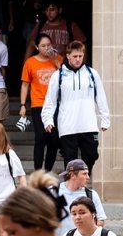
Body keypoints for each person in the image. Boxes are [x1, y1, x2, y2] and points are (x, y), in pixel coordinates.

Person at [42, 42, 111, 171]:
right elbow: (50, 100)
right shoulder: (59, 75)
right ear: (68, 56)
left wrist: (105, 119)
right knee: (70, 163)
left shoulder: (92, 74)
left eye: (80, 56)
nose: (78, 59)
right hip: (68, 126)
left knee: (92, 155)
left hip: (88, 125)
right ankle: (71, 189)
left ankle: (82, 183)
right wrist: (47, 119)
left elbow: (101, 97)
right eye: (75, 56)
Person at [19, 35, 62, 170]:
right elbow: (25, 85)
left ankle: (48, 170)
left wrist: (55, 60)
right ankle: (38, 171)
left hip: (55, 104)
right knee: (40, 138)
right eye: (43, 46)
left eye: (49, 45)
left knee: (54, 139)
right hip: (38, 104)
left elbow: (64, 77)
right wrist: (22, 105)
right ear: (37, 47)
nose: (46, 48)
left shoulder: (58, 58)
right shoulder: (30, 62)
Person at [54, 159, 106, 236]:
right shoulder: (54, 192)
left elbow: (100, 220)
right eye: (84, 174)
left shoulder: (91, 195)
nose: (88, 177)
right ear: (73, 175)